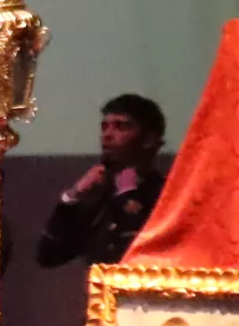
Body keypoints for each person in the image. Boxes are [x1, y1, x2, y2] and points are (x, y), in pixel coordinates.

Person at [36, 93, 172, 271]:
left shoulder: (166, 194)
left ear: (149, 140)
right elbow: (49, 255)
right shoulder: (100, 194)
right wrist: (71, 198)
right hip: (100, 297)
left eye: (121, 127)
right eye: (105, 127)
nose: (107, 135)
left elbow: (140, 255)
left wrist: (127, 195)